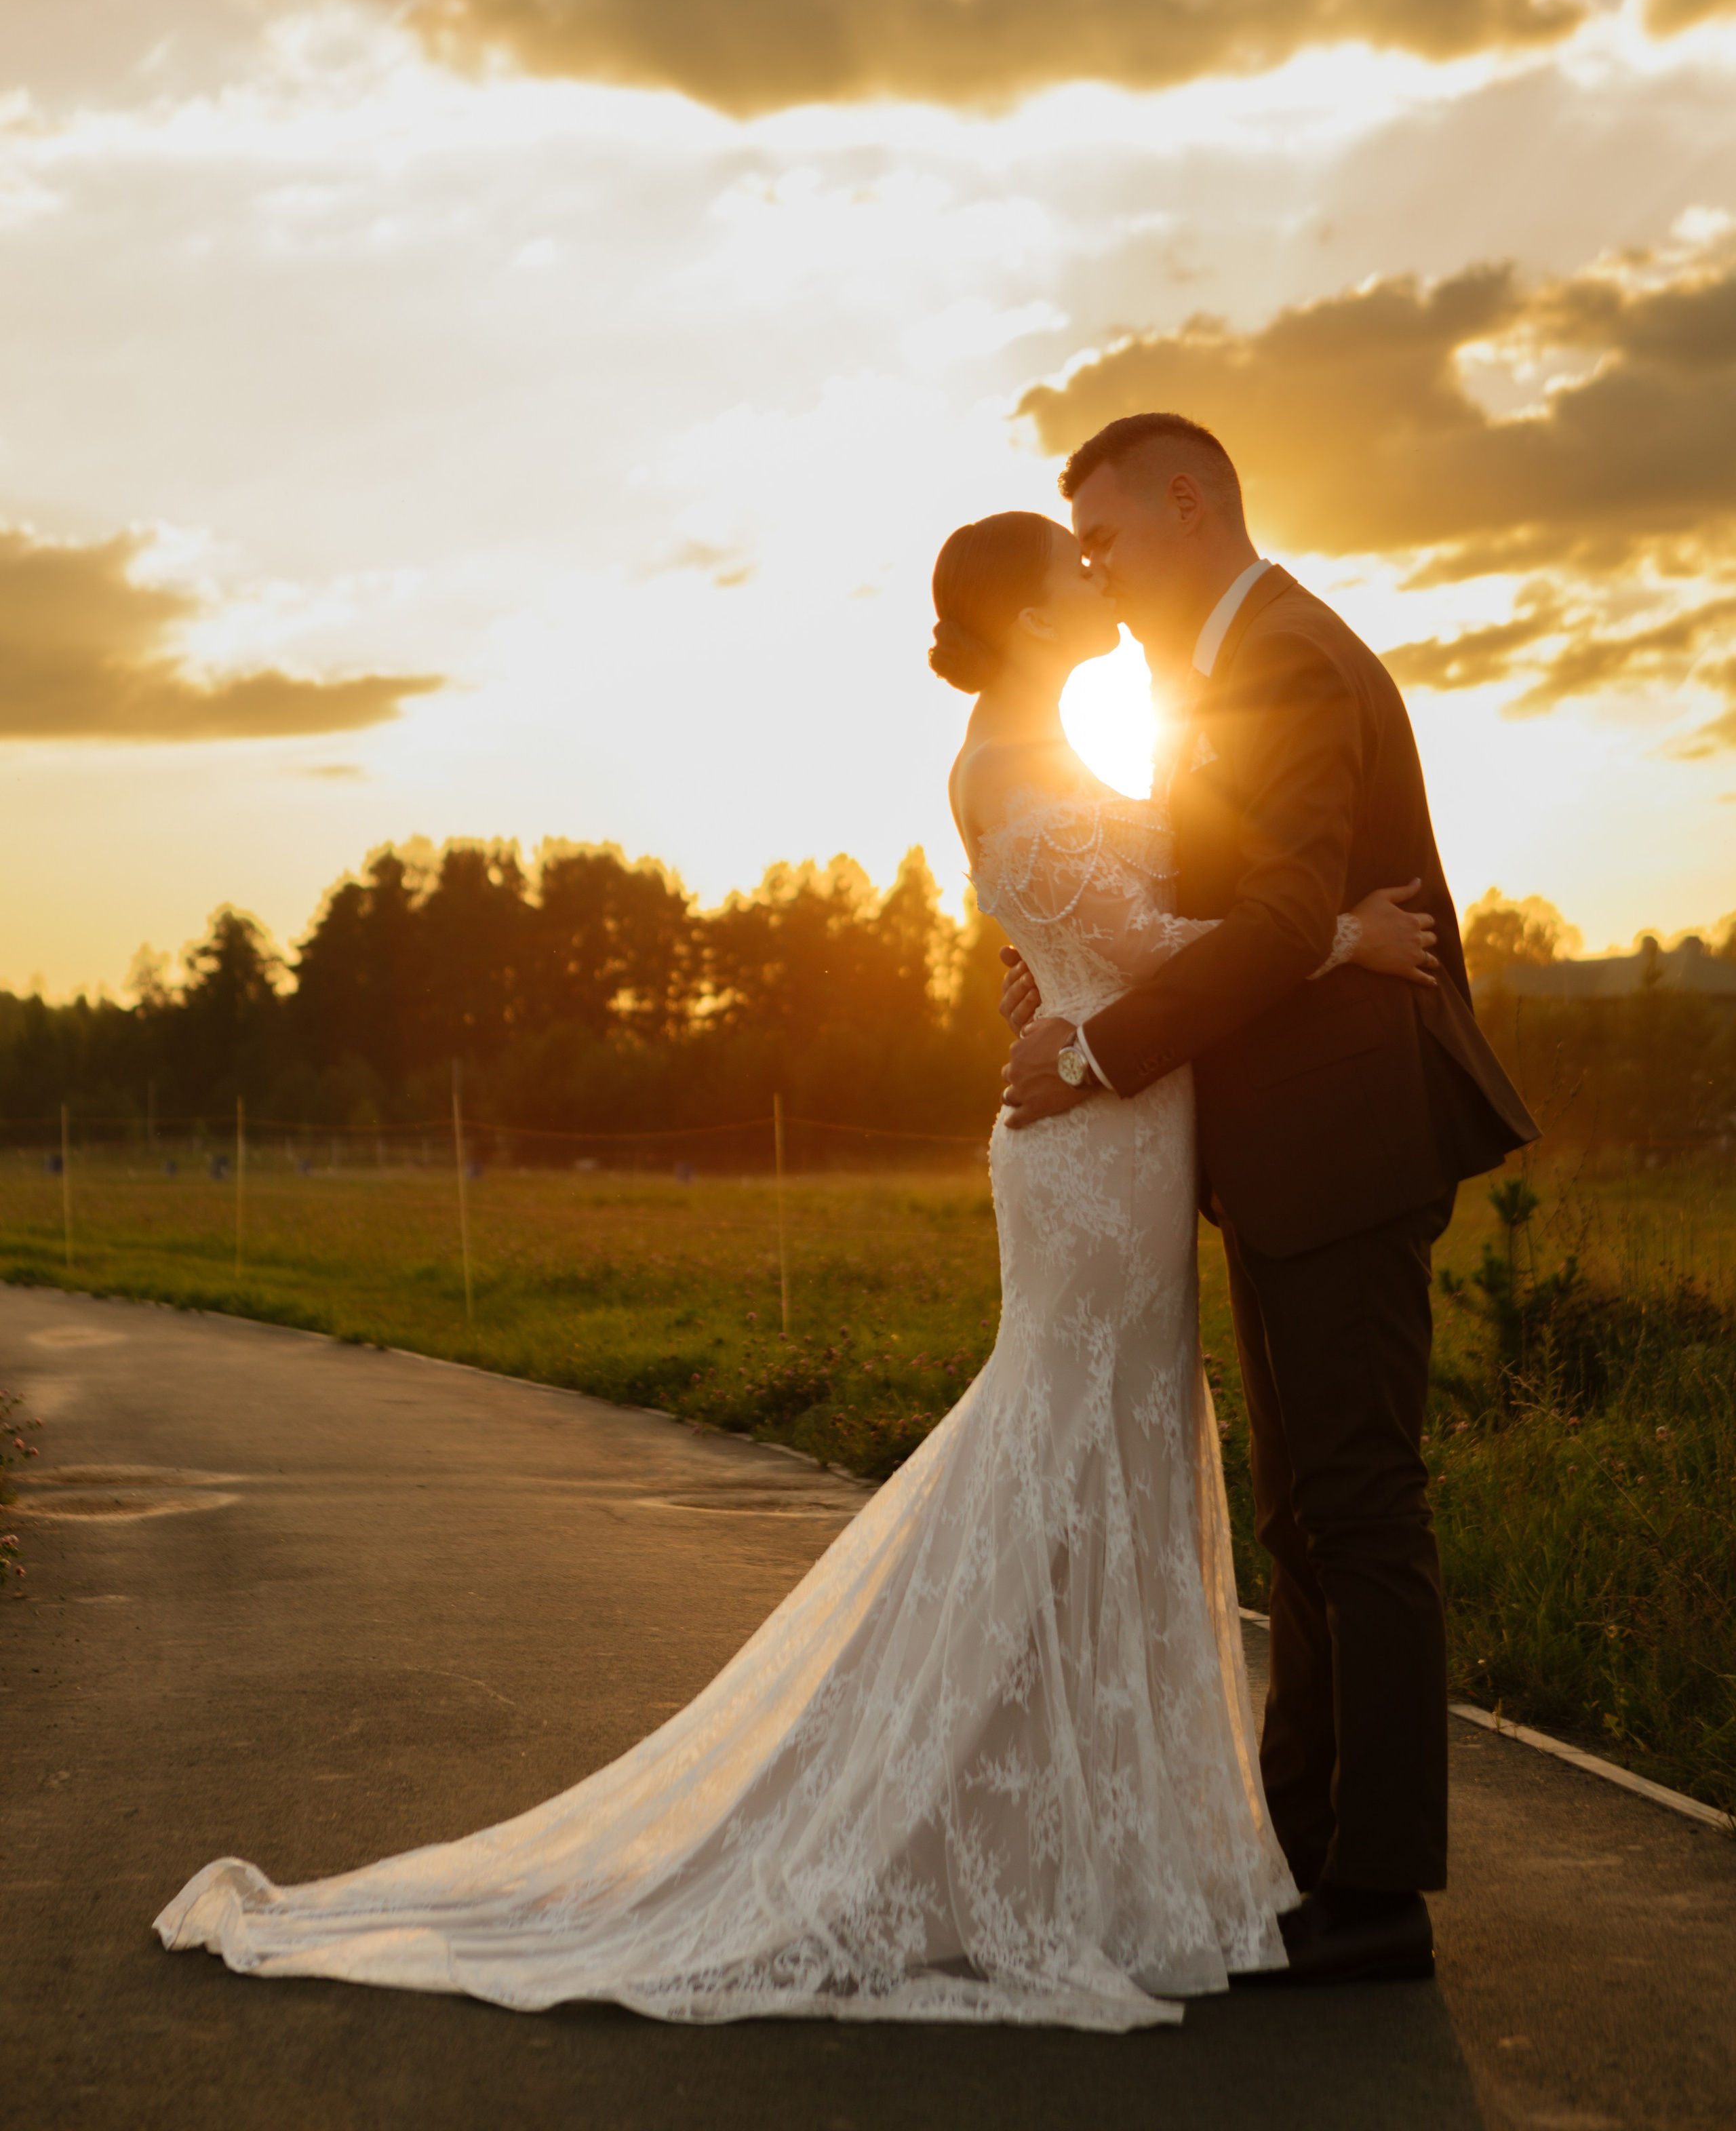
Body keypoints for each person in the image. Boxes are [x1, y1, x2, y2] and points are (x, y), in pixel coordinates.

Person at [154, 505, 1438, 2031]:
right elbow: (1156, 938)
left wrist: (1075, 977)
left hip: (1123, 1126)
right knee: (1062, 1453)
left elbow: (1090, 928)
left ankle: (1097, 1838)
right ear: (1027, 619)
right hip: (1089, 1143)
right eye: (1072, 571)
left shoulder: (1046, 746)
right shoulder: (1013, 762)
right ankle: (957, 1830)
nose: (1098, 584)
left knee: (1110, 1451)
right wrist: (1330, 942)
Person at [999, 413, 1537, 1989]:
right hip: (1286, 1145)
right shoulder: (1217, 674)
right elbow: (1196, 897)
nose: (1094, 571)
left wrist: (1096, 1049)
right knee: (1306, 1509)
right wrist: (1064, 956)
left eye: (1103, 539)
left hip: (1346, 1138)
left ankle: (1373, 1895)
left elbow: (1286, 908)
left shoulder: (1287, 659)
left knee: (1358, 1506)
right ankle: (1300, 1858)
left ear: (1187, 505)